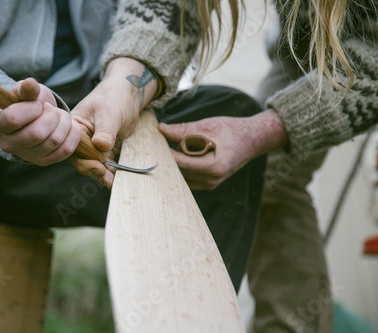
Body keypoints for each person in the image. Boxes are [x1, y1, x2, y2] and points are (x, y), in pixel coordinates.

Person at [0, 0, 266, 331]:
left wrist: (122, 90)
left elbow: (162, 14)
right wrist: (5, 108)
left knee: (225, 119)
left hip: (91, 139)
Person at [157, 1, 377, 332]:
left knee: (266, 167)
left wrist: (261, 132)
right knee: (265, 175)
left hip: (360, 40)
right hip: (303, 42)